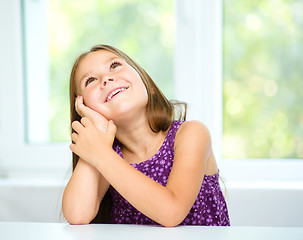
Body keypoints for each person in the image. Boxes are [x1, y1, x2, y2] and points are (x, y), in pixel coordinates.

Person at [62, 44, 230, 227]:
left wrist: (100, 154)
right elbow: (77, 215)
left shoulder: (191, 134)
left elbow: (171, 212)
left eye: (114, 66)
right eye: (90, 80)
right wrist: (95, 132)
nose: (106, 79)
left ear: (148, 85)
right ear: (85, 108)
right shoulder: (108, 152)